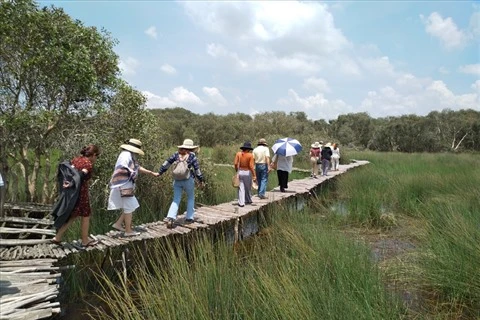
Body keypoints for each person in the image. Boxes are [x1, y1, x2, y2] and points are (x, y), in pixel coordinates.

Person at [51, 144, 101, 247]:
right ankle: (85, 240)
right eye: (97, 156)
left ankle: (58, 237)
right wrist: (73, 183)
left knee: (73, 215)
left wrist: (69, 183)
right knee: (86, 215)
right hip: (81, 192)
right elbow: (81, 175)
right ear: (93, 155)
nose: (96, 158)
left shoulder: (76, 159)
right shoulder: (88, 164)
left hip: (72, 192)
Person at [108, 139, 159, 237]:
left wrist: (150, 172)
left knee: (131, 205)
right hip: (123, 183)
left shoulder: (129, 155)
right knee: (129, 206)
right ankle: (128, 231)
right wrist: (132, 173)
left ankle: (118, 224)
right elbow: (124, 168)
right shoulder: (126, 155)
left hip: (123, 183)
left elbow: (137, 167)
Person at [159, 139, 204, 228]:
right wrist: (201, 180)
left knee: (176, 199)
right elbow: (197, 170)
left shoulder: (176, 154)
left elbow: (166, 163)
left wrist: (160, 172)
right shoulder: (192, 157)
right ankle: (189, 217)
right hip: (188, 180)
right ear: (191, 148)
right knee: (190, 197)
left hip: (177, 180)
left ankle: (171, 218)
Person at [234, 142, 257, 207]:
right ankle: (248, 200)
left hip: (240, 171)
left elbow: (235, 163)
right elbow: (251, 166)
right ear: (248, 149)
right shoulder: (250, 155)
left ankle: (241, 202)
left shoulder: (238, 154)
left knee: (241, 187)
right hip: (247, 172)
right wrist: (254, 175)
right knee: (248, 187)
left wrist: (237, 170)